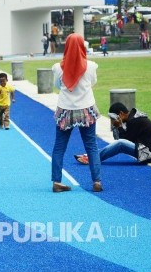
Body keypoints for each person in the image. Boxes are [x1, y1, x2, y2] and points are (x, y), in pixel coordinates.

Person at [51, 33, 102, 193]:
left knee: (59, 147)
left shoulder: (57, 67)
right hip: (86, 109)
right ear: (82, 46)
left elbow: (57, 85)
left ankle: (56, 181)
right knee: (91, 146)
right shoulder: (91, 66)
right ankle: (97, 181)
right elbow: (92, 82)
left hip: (65, 109)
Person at [75, 102, 151, 165]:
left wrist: (118, 127)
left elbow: (123, 140)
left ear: (121, 114)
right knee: (120, 143)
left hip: (149, 154)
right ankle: (93, 155)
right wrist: (118, 127)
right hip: (150, 152)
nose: (113, 121)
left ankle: (92, 158)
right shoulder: (132, 118)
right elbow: (119, 139)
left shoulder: (134, 121)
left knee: (120, 144)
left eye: (113, 118)